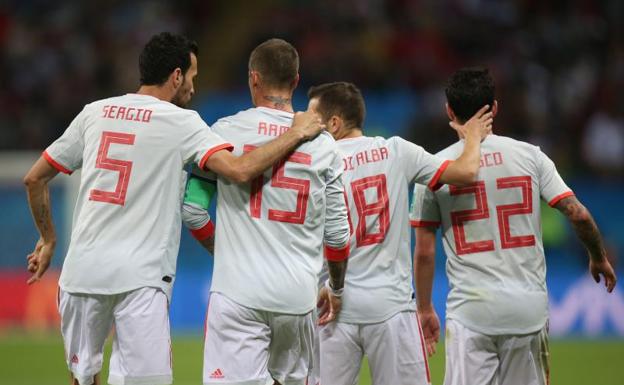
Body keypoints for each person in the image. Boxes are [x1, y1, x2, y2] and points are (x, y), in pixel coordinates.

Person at [23, 32, 324, 385]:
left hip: (81, 275)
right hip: (141, 279)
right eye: (192, 77)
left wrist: (48, 238)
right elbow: (241, 170)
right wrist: (296, 133)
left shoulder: (95, 113)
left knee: (83, 376)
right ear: (176, 76)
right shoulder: (183, 123)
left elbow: (34, 180)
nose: (193, 88)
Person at [410, 67, 617, 385]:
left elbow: (424, 252)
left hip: (471, 312)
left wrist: (424, 308)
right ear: (494, 108)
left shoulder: (435, 170)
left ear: (449, 111)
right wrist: (598, 256)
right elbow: (578, 214)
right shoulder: (531, 157)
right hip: (527, 311)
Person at [181, 38, 350, 385]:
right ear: (296, 80)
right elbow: (337, 237)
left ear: (253, 79)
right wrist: (335, 287)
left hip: (237, 293)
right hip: (297, 295)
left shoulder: (224, 133)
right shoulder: (324, 145)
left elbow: (193, 212)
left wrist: (224, 251)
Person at [306, 81, 492, 385]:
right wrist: (472, 138)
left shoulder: (313, 164)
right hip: (391, 307)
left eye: (314, 118)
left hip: (332, 305)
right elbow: (467, 172)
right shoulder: (396, 150)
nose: (306, 126)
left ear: (335, 124)